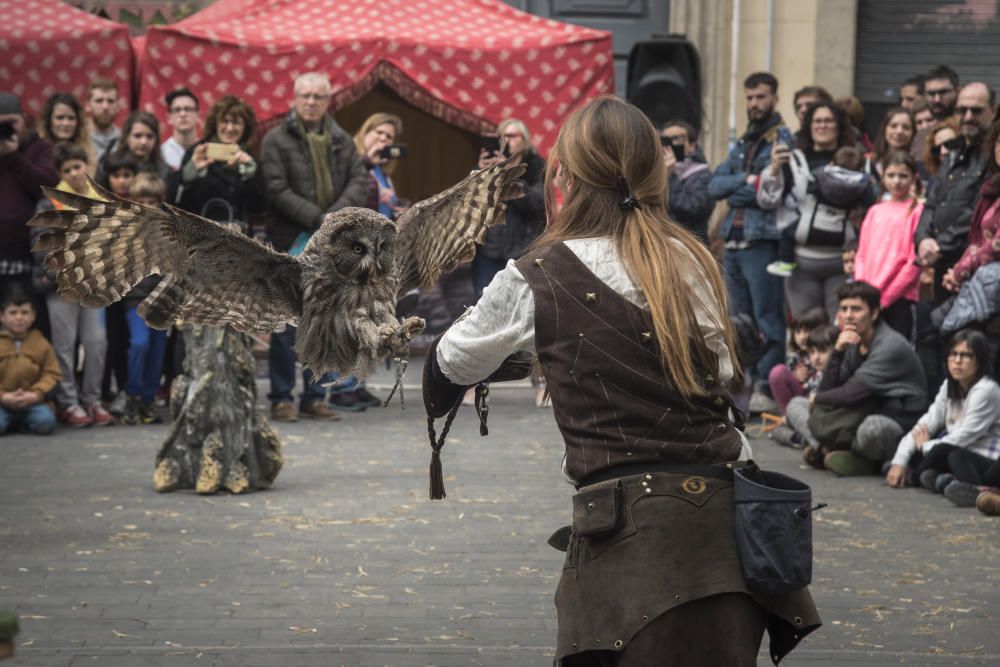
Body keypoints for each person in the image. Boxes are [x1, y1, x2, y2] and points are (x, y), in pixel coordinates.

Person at [423, 94, 819, 667]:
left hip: (624, 549)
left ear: (563, 176)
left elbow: (446, 371)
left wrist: (529, 349)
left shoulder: (536, 274)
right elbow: (726, 373)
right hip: (724, 536)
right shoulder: (690, 257)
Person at [260, 72, 369, 422]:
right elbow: (276, 188)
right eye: (305, 96)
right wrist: (318, 218)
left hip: (332, 248)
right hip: (289, 243)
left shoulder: (342, 140)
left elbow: (359, 179)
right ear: (295, 98)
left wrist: (333, 219)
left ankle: (313, 396)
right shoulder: (275, 139)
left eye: (317, 97)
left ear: (327, 101)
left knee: (323, 324)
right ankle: (280, 396)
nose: (311, 102)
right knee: (285, 324)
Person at [708, 72, 793, 412]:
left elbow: (772, 194)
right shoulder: (745, 140)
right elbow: (715, 186)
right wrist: (749, 180)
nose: (754, 104)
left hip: (763, 241)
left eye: (760, 97)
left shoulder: (781, 137)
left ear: (774, 97)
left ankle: (767, 389)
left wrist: (742, 188)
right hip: (734, 241)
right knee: (738, 321)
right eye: (750, 98)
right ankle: (741, 388)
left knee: (768, 319)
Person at [757, 118, 876, 320]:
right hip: (842, 244)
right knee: (839, 319)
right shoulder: (862, 182)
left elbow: (805, 192)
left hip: (806, 238)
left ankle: (784, 262)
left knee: (805, 322)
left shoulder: (821, 175)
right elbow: (870, 201)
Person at [805, 281, 927, 477]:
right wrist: (837, 352)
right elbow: (829, 389)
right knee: (799, 405)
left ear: (874, 313)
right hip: (860, 413)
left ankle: (857, 459)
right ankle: (838, 451)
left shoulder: (890, 345)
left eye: (856, 309)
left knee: (872, 429)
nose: (848, 315)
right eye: (844, 309)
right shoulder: (853, 341)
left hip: (896, 423)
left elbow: (851, 394)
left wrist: (817, 399)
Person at [32, 143, 111, 428]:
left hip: (93, 285)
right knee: (64, 346)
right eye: (68, 170)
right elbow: (42, 247)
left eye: (79, 166)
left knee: (96, 342)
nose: (75, 173)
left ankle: (92, 399)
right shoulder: (50, 203)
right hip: (62, 287)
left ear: (87, 166)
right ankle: (69, 402)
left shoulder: (100, 200)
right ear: (60, 174)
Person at [886, 330, 1000, 505]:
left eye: (966, 355)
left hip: (986, 462)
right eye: (953, 354)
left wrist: (924, 446)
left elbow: (961, 437)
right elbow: (926, 423)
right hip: (960, 454)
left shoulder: (986, 390)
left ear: (980, 360)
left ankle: (918, 477)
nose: (957, 361)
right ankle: (937, 479)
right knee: (903, 444)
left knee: (951, 453)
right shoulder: (950, 386)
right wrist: (899, 461)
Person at [915, 82, 996, 304]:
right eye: (962, 110)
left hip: (975, 265)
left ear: (993, 110)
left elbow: (978, 210)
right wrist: (923, 240)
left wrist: (939, 244)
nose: (968, 117)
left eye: (976, 110)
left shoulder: (994, 156)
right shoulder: (952, 153)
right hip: (940, 262)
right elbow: (931, 204)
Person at [471, 118, 546, 299]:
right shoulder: (489, 168)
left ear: (525, 140)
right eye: (501, 137)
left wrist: (507, 175)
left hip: (522, 253)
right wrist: (478, 174)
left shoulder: (536, 167)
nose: (506, 141)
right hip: (488, 252)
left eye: (511, 136)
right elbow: (470, 206)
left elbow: (537, 204)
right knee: (483, 308)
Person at [853, 151, 924, 341]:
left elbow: (914, 261)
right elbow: (862, 254)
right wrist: (862, 290)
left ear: (914, 178)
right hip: (869, 296)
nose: (897, 181)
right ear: (883, 177)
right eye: (891, 175)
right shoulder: (875, 211)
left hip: (900, 296)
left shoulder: (917, 211)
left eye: (903, 176)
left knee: (897, 351)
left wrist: (885, 299)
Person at [0, 91, 59, 303]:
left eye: (12, 123)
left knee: (29, 324)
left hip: (29, 261)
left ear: (24, 120)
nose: (7, 130)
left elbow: (47, 188)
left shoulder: (40, 148)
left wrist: (13, 156)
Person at [120, 173, 170, 426]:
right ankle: (132, 394)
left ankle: (148, 397)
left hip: (161, 302)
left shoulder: (168, 233)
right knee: (140, 344)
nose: (147, 207)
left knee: (157, 351)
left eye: (152, 202)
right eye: (142, 201)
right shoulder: (126, 231)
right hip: (135, 301)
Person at [96, 151, 138, 416]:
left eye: (127, 175)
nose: (122, 181)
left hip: (134, 285)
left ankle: (125, 388)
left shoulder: (141, 205)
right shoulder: (100, 205)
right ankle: (101, 392)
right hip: (105, 283)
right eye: (116, 176)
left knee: (125, 339)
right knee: (106, 340)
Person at [943, 118, 1000, 292]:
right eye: (999, 141)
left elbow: (996, 244)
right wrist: (959, 270)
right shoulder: (993, 188)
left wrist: (959, 274)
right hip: (983, 282)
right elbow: (978, 241)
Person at [0, 285, 60, 436]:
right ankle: (11, 422)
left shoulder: (41, 342)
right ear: (2, 316)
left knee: (45, 422)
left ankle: (19, 422)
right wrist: (3, 396)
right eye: (13, 313)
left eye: (25, 312)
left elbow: (52, 374)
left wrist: (36, 394)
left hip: (33, 402)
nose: (19, 317)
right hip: (2, 402)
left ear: (33, 316)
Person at [775, 323, 838, 449]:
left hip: (830, 422)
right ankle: (806, 441)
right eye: (812, 352)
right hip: (816, 420)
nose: (816, 357)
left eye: (822, 351)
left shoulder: (840, 371)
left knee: (794, 407)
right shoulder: (818, 373)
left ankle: (820, 447)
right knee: (779, 430)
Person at [660, 119, 714, 244]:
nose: (672, 144)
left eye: (677, 139)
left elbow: (692, 208)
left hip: (691, 243)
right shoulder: (658, 171)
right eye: (667, 140)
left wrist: (670, 176)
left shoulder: (702, 174)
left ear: (692, 144)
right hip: (664, 241)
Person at [767, 307, 828, 415]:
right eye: (798, 331)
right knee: (778, 373)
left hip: (821, 402)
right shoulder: (796, 356)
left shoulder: (828, 352)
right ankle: (790, 417)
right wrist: (795, 377)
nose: (802, 337)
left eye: (807, 331)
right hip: (801, 400)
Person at [353, 112, 403, 219]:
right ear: (365, 133)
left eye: (389, 137)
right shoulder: (350, 158)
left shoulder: (384, 174)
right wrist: (368, 160)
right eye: (379, 132)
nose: (383, 138)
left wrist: (396, 211)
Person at [97, 111, 171, 184]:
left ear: (156, 139)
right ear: (127, 137)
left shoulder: (163, 171)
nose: (144, 142)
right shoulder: (109, 163)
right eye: (138, 136)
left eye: (149, 136)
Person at [37, 92, 95, 170]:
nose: (66, 123)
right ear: (48, 121)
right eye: (60, 118)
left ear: (78, 122)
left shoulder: (89, 154)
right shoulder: (37, 152)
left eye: (71, 118)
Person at [869, 108, 915, 180]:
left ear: (913, 133)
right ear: (884, 129)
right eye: (894, 126)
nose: (899, 131)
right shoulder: (869, 162)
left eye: (906, 127)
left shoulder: (920, 165)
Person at [161, 87, 200, 171]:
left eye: (188, 109)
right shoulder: (160, 154)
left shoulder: (206, 150)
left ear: (198, 115)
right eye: (177, 110)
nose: (183, 114)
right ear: (169, 117)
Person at [85, 79, 120, 159]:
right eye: (99, 101)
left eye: (110, 101)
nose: (105, 107)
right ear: (88, 106)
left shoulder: (125, 141)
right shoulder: (78, 139)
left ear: (118, 106)